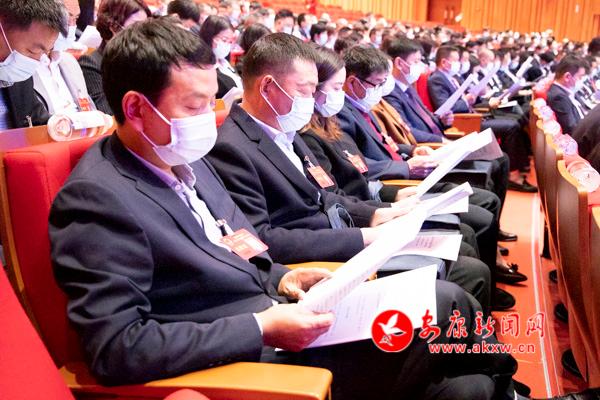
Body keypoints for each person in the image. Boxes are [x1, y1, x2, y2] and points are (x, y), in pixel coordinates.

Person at [50, 18, 521, 400]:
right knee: (445, 306)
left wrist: (283, 277)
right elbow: (118, 347)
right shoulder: (98, 198)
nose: (209, 119)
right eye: (194, 107)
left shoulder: (186, 160)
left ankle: (502, 387)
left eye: (212, 102)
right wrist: (260, 327)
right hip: (247, 359)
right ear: (136, 108)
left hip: (283, 312)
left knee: (466, 378)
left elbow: (241, 245)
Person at [427, 45, 535, 192]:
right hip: (460, 123)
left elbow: (467, 100)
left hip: (472, 115)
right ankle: (513, 174)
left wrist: (476, 96)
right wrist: (466, 101)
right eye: (456, 60)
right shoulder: (437, 79)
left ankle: (519, 166)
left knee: (515, 121)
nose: (459, 63)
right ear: (445, 62)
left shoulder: (452, 77)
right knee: (511, 127)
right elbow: (444, 108)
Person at [0, 0, 67, 129]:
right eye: (34, 50)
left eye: (45, 52)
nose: (36, 61)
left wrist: (70, 125)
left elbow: (40, 122)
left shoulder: (18, 77)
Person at [78, 0, 150, 114]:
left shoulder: (142, 61)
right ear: (113, 27)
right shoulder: (91, 63)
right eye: (136, 27)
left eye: (145, 28)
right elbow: (107, 112)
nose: (143, 35)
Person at [198, 15, 243, 98]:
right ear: (209, 37)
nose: (227, 45)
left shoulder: (224, 62)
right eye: (224, 40)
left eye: (230, 41)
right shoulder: (204, 68)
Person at [546, 55, 589, 135]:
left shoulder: (567, 90)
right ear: (567, 77)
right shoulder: (559, 97)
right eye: (580, 77)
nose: (581, 80)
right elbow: (572, 130)